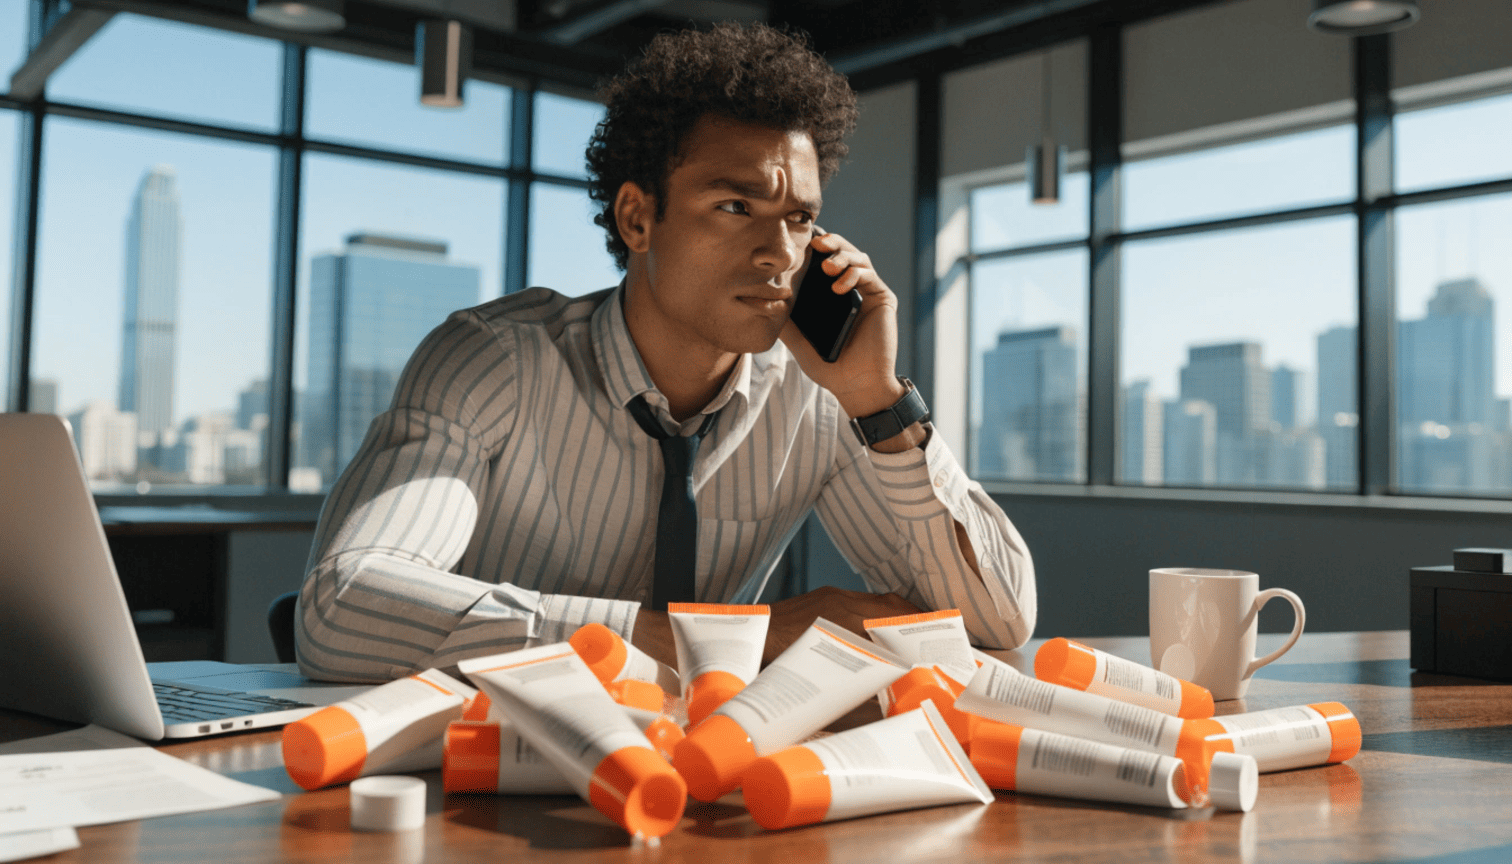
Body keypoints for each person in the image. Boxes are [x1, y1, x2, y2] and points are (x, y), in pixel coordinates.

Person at [295, 22, 1035, 682]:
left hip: (704, 774)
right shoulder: (494, 362)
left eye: (800, 218)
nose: (780, 255)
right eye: (736, 207)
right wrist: (733, 636)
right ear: (638, 216)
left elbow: (998, 622)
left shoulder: (817, 394)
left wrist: (880, 403)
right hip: (485, 771)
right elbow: (341, 607)